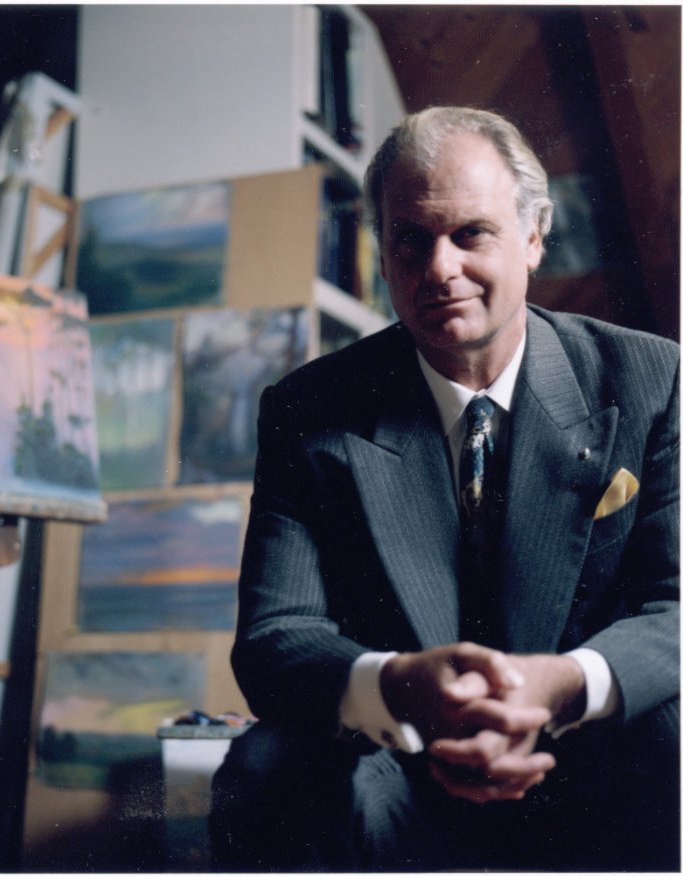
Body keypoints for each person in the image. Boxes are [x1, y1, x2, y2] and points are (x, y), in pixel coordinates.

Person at [209, 107, 679, 871]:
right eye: (410, 239)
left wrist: (561, 685)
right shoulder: (306, 409)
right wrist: (396, 686)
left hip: (588, 751)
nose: (438, 268)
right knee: (265, 767)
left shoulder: (652, 379)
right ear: (382, 252)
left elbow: (676, 606)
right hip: (397, 759)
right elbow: (274, 637)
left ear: (533, 236)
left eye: (470, 233)